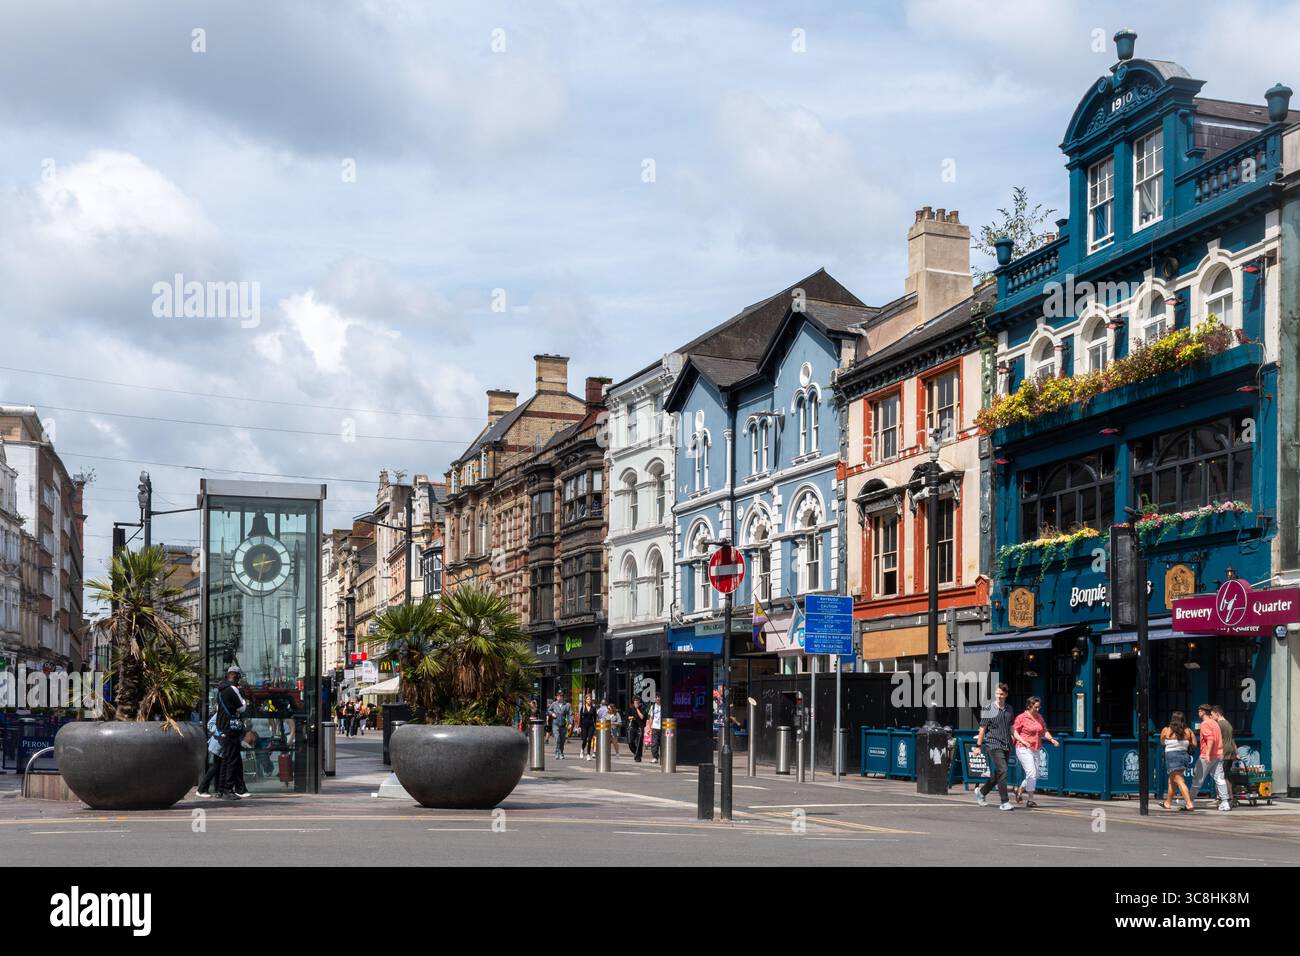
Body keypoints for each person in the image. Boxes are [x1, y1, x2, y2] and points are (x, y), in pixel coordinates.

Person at [972, 683, 1014, 810]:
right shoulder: (988, 708)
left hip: (1006, 744)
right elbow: (982, 729)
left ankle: (982, 792)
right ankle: (1004, 802)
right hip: (993, 743)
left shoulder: (1010, 709)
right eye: (997, 694)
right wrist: (978, 746)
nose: (999, 696)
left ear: (1006, 695)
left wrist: (1021, 740)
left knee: (998, 774)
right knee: (1003, 771)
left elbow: (1012, 728)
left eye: (1001, 694)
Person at [1011, 696, 1059, 808]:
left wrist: (1052, 740)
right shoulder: (1021, 718)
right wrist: (1023, 741)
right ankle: (1030, 800)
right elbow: (1014, 732)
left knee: (1036, 774)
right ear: (1029, 706)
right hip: (1023, 748)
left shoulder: (1039, 717)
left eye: (1039, 707)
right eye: (1036, 707)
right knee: (1031, 772)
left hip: (1036, 748)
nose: (1038, 709)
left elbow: (1044, 731)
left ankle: (1020, 790)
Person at [1190, 703, 1231, 811]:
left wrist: (1207, 754)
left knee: (1197, 780)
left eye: (1199, 711)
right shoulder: (1215, 723)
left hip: (1206, 756)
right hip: (1218, 756)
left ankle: (1189, 801)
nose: (1198, 713)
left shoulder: (1205, 724)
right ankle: (1225, 802)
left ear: (1203, 712)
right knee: (1220, 778)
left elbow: (1211, 739)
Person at [215, 665, 248, 800]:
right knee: (232, 760)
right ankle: (228, 789)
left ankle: (221, 789)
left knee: (225, 760)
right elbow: (242, 707)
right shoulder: (232, 689)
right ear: (235, 676)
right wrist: (244, 697)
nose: (238, 680)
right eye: (238, 677)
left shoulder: (221, 690)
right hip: (231, 729)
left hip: (222, 728)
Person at [1161, 710, 1196, 812]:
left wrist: (1171, 742)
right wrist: (1184, 742)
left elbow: (1162, 742)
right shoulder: (1188, 731)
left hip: (1172, 756)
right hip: (1184, 756)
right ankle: (1167, 803)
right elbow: (1194, 744)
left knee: (1180, 781)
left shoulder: (1166, 730)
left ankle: (1189, 803)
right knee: (1171, 781)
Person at [197, 711, 223, 797]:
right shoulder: (222, 712)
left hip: (223, 744)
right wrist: (219, 733)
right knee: (216, 767)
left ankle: (218, 790)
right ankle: (202, 789)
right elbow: (210, 723)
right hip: (218, 744)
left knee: (218, 767)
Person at [547, 692, 571, 759]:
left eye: (561, 696)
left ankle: (561, 753)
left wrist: (570, 723)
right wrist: (552, 714)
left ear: (563, 697)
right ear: (556, 697)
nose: (559, 698)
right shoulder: (554, 704)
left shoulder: (567, 705)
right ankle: (556, 753)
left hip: (563, 724)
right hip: (555, 724)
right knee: (557, 739)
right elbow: (548, 711)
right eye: (558, 696)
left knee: (562, 740)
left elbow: (570, 714)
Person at [627, 698, 646, 763]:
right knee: (630, 742)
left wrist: (637, 709)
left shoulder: (642, 707)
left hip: (640, 726)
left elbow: (642, 717)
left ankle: (638, 757)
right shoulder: (631, 708)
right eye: (635, 700)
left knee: (639, 743)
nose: (636, 702)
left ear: (639, 701)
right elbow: (628, 717)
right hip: (633, 726)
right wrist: (631, 717)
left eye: (637, 700)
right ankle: (637, 753)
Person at [580, 695, 597, 760]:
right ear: (585, 700)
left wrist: (595, 726)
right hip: (584, 725)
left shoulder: (593, 708)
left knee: (589, 739)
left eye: (590, 699)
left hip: (591, 725)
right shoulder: (583, 707)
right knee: (584, 740)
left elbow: (595, 718)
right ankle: (582, 749)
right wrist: (579, 727)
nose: (589, 701)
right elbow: (580, 718)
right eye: (588, 699)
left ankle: (588, 754)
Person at [649, 693, 663, 762]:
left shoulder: (664, 706)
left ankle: (663, 757)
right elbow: (651, 717)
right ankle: (655, 757)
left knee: (663, 743)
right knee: (654, 743)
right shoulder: (653, 706)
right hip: (655, 727)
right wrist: (650, 728)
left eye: (659, 697)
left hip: (663, 728)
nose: (658, 698)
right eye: (656, 697)